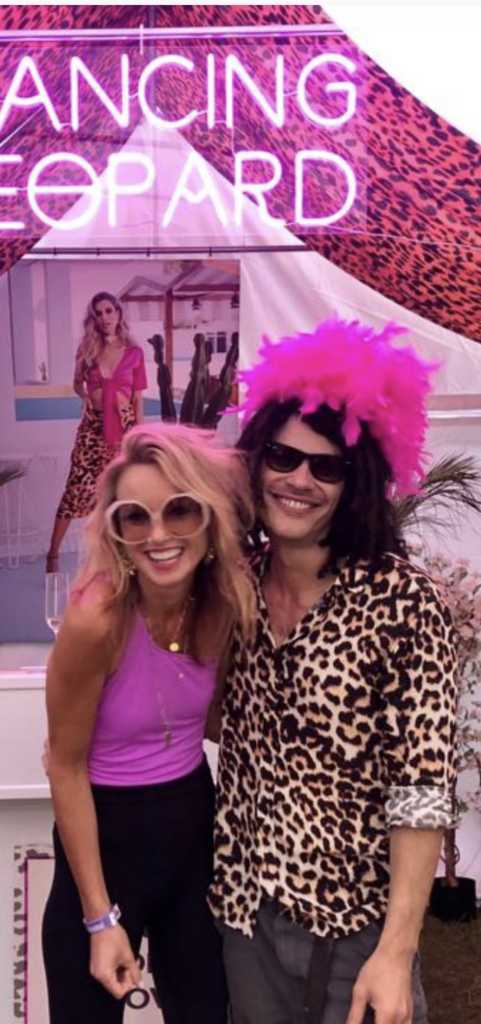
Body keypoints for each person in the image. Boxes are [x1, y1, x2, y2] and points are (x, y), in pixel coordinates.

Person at [209, 318, 458, 1024]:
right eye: (283, 458)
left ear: (358, 483)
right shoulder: (238, 588)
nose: (299, 480)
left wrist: (398, 950)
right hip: (245, 915)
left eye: (327, 466)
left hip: (357, 930)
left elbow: (423, 789)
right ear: (255, 461)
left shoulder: (402, 602)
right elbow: (213, 715)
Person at [42, 422, 256, 1024]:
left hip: (192, 826)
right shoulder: (96, 621)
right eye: (136, 517)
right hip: (106, 838)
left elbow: (216, 722)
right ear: (116, 531)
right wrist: (99, 917)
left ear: (209, 519)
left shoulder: (224, 604)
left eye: (181, 510)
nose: (160, 535)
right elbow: (64, 764)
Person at [46, 292, 147, 572]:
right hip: (92, 429)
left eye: (109, 311)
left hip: (123, 427)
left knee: (118, 492)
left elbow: (138, 400)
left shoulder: (134, 352)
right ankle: (52, 554)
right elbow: (78, 384)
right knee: (75, 488)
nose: (104, 318)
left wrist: (137, 437)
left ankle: (117, 557)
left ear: (118, 313)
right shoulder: (88, 348)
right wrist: (91, 400)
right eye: (99, 313)